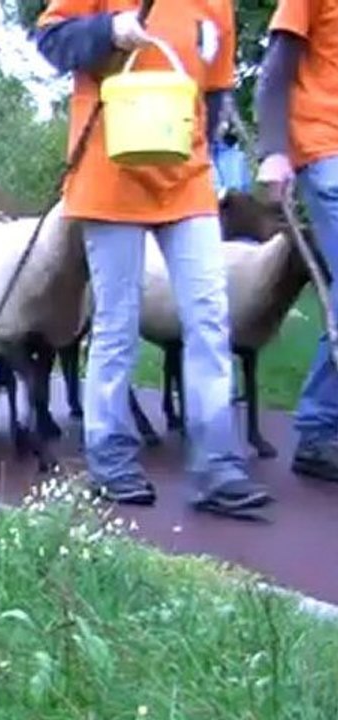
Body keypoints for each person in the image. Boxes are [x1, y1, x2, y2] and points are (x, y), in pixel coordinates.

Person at [35, 0, 270, 516]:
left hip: (187, 180)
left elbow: (216, 86)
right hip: (108, 175)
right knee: (118, 321)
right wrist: (108, 31)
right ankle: (110, 458)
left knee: (210, 316)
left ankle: (217, 465)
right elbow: (50, 41)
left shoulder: (218, 6)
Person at [256, 0, 338, 483]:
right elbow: (276, 69)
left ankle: (319, 426)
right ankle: (317, 429)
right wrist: (272, 151)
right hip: (326, 151)